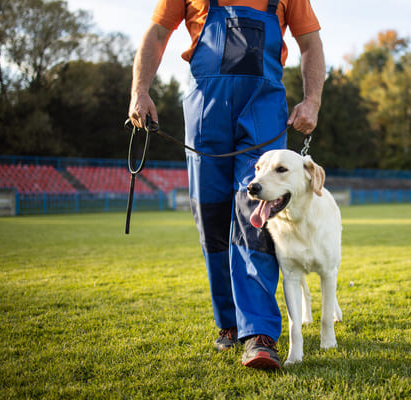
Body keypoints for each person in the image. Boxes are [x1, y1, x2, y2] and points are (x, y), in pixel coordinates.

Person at [128, 0, 325, 370]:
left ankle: (260, 333)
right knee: (213, 218)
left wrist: (312, 100)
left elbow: (311, 43)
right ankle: (230, 324)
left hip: (263, 109)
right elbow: (156, 34)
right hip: (206, 109)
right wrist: (140, 91)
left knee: (256, 215)